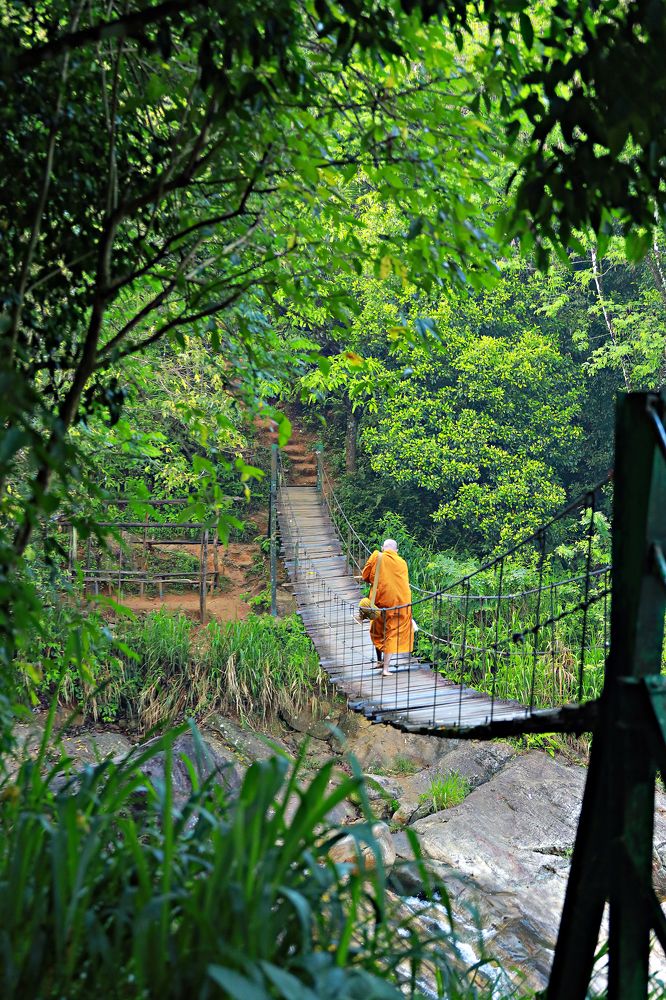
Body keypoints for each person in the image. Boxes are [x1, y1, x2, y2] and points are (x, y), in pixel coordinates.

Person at [361, 539, 414, 676]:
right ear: (396, 551)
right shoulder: (402, 562)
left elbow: (365, 576)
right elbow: (403, 583)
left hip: (379, 601)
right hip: (399, 603)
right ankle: (385, 668)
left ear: (383, 548)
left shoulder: (376, 556)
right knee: (391, 632)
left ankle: (379, 662)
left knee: (377, 628)